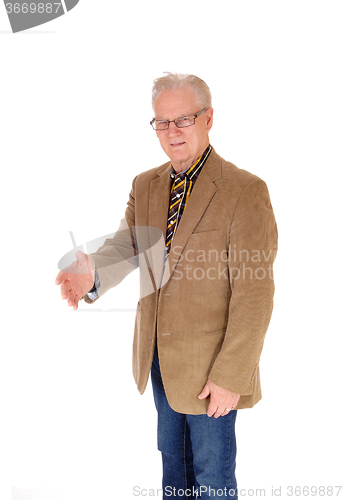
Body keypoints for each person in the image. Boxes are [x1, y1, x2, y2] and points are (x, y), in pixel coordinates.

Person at [55, 73, 278, 499]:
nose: (172, 132)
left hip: (214, 370)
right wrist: (92, 271)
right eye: (162, 122)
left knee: (212, 478)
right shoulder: (146, 184)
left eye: (184, 120)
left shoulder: (244, 191)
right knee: (174, 471)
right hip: (160, 361)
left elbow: (256, 295)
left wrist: (232, 374)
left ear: (208, 119)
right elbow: (129, 245)